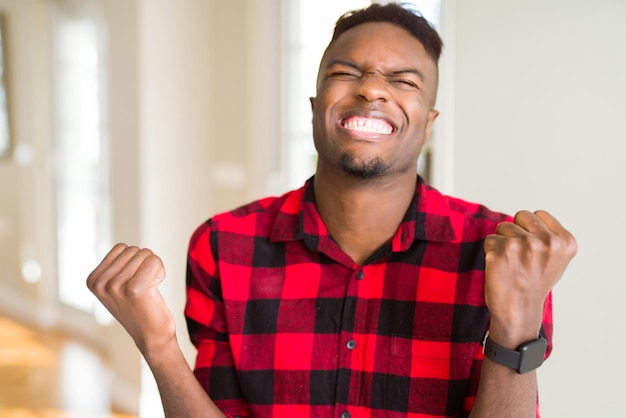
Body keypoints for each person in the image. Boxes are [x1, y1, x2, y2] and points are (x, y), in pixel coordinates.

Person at [87, 3, 577, 417]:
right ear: (316, 104)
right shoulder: (223, 245)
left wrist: (516, 328)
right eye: (346, 73)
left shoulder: (504, 254)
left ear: (427, 125)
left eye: (403, 80)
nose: (371, 89)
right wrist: (158, 346)